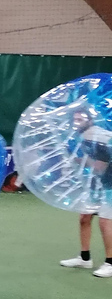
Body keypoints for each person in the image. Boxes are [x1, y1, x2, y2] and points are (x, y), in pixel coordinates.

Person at [59, 110, 112, 278]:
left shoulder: (98, 139)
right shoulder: (80, 137)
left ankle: (110, 263)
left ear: (90, 120)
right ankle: (84, 258)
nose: (77, 122)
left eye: (80, 119)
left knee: (105, 222)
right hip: (96, 184)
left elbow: (99, 167)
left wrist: (76, 159)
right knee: (84, 218)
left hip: (110, 185)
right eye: (74, 119)